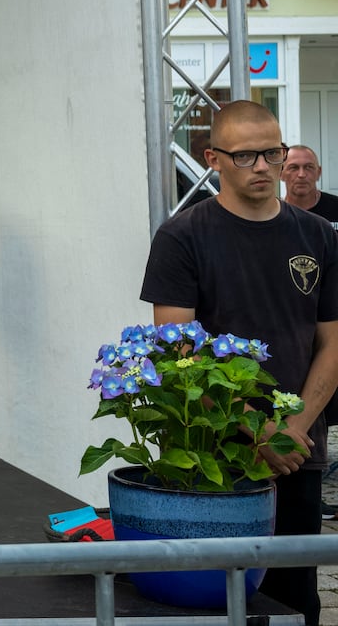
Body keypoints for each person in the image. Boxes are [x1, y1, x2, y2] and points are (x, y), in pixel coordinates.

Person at [141, 101, 338, 625]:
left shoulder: (318, 236)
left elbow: (334, 343)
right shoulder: (182, 237)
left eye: (271, 152)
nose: (263, 167)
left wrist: (289, 429)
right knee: (214, 597)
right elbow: (179, 348)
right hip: (210, 448)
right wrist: (256, 430)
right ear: (213, 158)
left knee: (296, 597)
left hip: (297, 448)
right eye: (246, 155)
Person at [284, 144, 338, 222]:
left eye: (309, 167)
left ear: (319, 173)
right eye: (293, 168)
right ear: (281, 174)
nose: (301, 175)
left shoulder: (335, 208)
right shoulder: (272, 213)